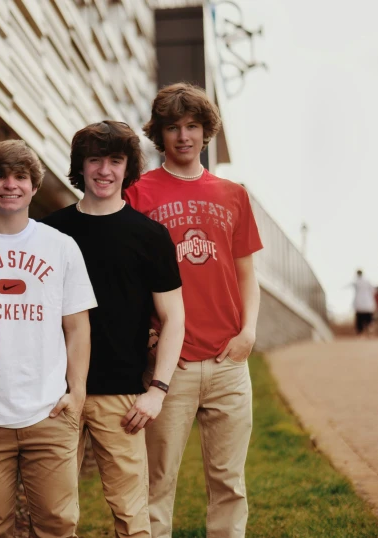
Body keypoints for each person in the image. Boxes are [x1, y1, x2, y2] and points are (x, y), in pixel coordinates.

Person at [125, 82, 264, 538]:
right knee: (156, 484)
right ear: (159, 134)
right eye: (172, 127)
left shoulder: (233, 194)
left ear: (207, 132)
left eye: (192, 126)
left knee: (229, 484)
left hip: (228, 360)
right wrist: (146, 338)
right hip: (170, 364)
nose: (183, 136)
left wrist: (248, 333)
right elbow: (128, 278)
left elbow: (246, 272)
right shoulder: (138, 194)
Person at [44, 121, 185, 537]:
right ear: (80, 166)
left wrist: (157, 390)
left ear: (128, 168)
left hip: (122, 398)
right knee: (54, 516)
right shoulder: (51, 232)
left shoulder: (150, 236)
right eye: (95, 160)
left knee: (132, 517)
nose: (104, 170)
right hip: (58, 393)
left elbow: (174, 317)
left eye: (115, 160)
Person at [0, 140, 97, 537]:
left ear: (34, 185)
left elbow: (77, 327)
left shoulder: (60, 246)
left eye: (20, 177)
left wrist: (76, 393)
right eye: (0, 176)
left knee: (58, 524)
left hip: (49, 411)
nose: (10, 185)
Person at [351, 269, 377, 335]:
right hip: (367, 304)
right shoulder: (367, 281)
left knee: (360, 320)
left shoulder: (356, 282)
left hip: (360, 305)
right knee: (368, 319)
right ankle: (368, 331)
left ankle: (362, 333)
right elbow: (373, 290)